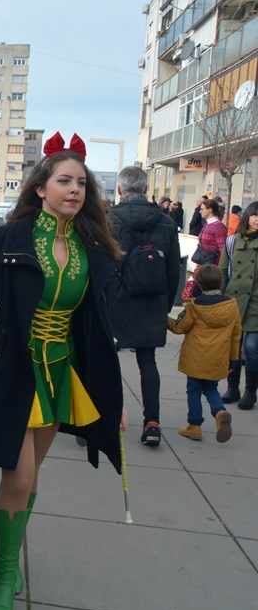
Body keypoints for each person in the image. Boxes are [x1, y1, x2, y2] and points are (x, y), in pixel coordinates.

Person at [0, 133, 125, 610]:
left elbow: (99, 329)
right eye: (64, 181)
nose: (75, 190)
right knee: (19, 475)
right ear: (41, 187)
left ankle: (6, 560)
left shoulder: (92, 247)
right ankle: (6, 575)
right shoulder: (9, 238)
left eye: (81, 183)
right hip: (13, 368)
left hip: (61, 373)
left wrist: (111, 400)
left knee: (30, 479)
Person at [106, 165, 181, 447]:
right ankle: (152, 423)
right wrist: (164, 304)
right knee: (147, 362)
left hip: (115, 298)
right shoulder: (165, 222)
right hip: (151, 299)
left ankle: (104, 416)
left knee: (108, 360)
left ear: (121, 190)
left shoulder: (109, 220)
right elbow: (173, 268)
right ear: (147, 189)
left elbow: (101, 265)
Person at [167, 264, 238, 443]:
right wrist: (233, 359)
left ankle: (195, 425)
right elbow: (236, 335)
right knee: (211, 388)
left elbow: (179, 327)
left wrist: (162, 318)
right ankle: (219, 411)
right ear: (221, 281)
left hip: (196, 357)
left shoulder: (194, 306)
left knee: (194, 389)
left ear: (199, 284)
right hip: (218, 358)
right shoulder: (232, 306)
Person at [220, 201, 258, 410]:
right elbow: (223, 270)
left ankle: (251, 390)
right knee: (232, 348)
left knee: (251, 348)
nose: (257, 220)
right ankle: (232, 387)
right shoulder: (232, 241)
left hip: (256, 304)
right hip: (234, 301)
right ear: (247, 217)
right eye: (254, 215)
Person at [196, 198, 228, 264]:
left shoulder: (219, 227)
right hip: (203, 264)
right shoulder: (207, 224)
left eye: (202, 209)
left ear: (210, 210)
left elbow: (223, 251)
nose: (200, 211)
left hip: (212, 267)